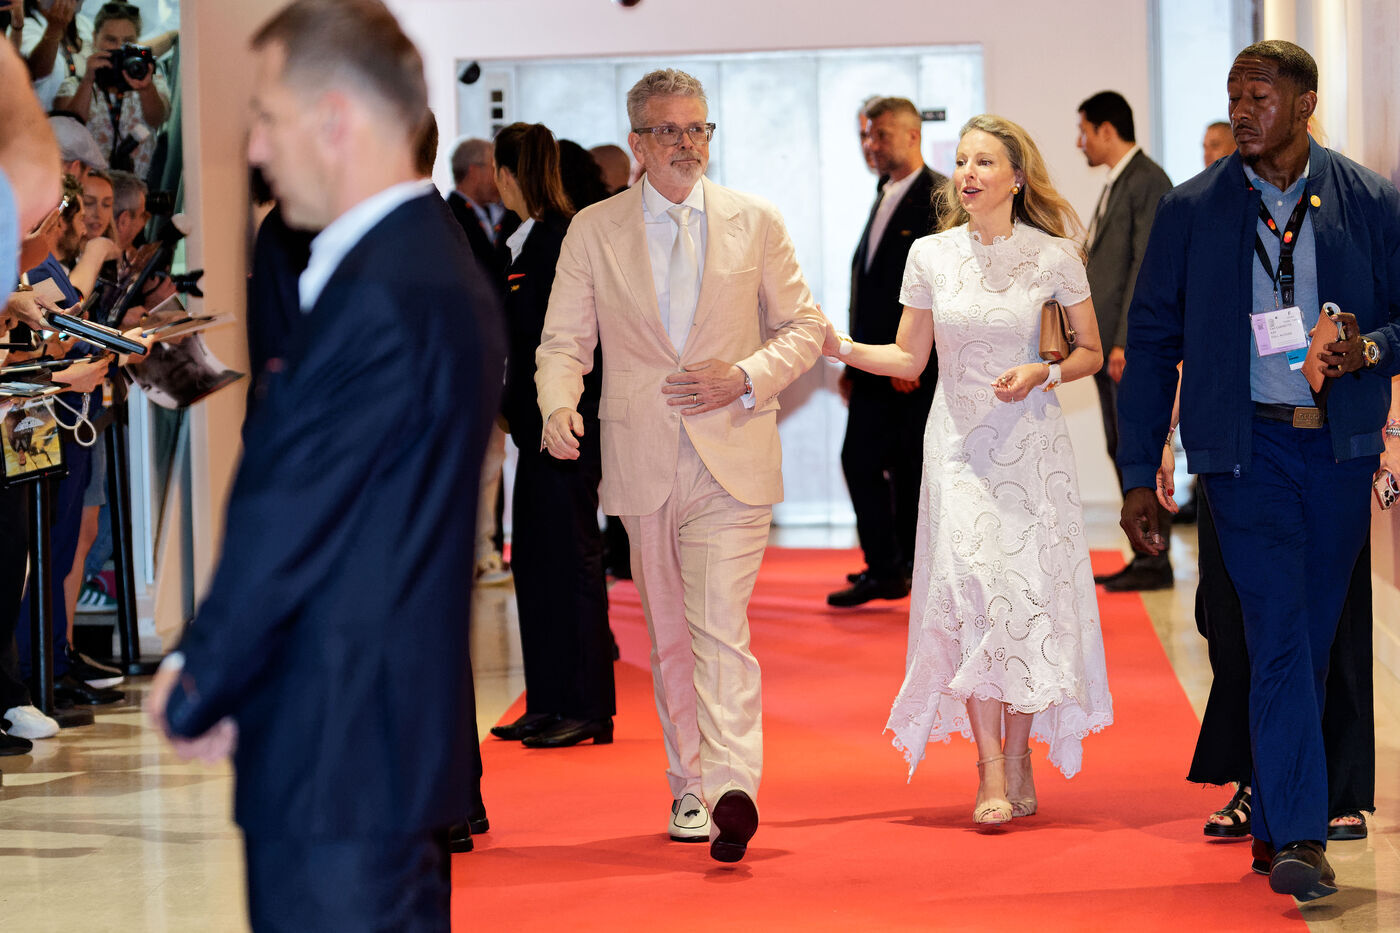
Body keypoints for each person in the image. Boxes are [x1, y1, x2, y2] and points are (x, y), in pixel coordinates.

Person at [146, 2, 504, 929]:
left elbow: (295, 507)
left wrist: (203, 674)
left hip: (341, 746)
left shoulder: (385, 288)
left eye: (267, 118)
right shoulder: (413, 260)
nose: (255, 149)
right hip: (366, 734)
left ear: (335, 118)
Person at [1117, 40, 1400, 902]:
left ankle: (1277, 819)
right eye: (1234, 96)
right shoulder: (1192, 208)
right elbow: (1151, 339)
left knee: (1309, 637)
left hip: (1340, 450)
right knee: (1277, 629)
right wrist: (1137, 471)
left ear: (1305, 105)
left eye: (1260, 97)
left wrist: (1369, 349)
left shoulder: (1368, 200)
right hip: (1245, 456)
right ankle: (1304, 837)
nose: (1241, 112)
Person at [536, 68, 825, 862]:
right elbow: (563, 340)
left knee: (718, 624)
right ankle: (689, 785)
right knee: (670, 634)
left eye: (699, 128)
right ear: (638, 142)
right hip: (642, 453)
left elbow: (804, 327)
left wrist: (747, 374)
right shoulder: (594, 229)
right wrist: (558, 402)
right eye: (670, 130)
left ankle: (734, 788)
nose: (687, 143)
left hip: (733, 448)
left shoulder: (754, 220)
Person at [827, 114, 1113, 825]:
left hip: (1032, 452)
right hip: (957, 449)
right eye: (961, 161)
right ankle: (989, 768)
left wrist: (1044, 371)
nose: (968, 173)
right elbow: (909, 357)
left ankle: (1019, 756)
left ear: (1017, 176)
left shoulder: (1054, 256)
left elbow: (1090, 351)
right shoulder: (929, 254)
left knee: (1025, 599)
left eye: (984, 161)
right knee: (977, 596)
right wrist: (840, 346)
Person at [485, 122, 617, 749]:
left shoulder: (560, 240)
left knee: (571, 562)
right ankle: (546, 699)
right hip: (533, 431)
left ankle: (587, 706)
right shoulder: (524, 239)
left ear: (509, 174)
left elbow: (565, 342)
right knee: (535, 564)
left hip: (564, 429)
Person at [829, 96, 945, 608]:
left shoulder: (938, 195)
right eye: (865, 136)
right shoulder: (884, 191)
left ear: (913, 135)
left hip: (907, 366)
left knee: (905, 468)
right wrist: (852, 365)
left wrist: (915, 358)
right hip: (874, 363)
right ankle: (888, 568)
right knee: (864, 461)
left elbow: (941, 287)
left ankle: (900, 570)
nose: (870, 145)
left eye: (881, 134)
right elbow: (871, 284)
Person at [1074, 90, 1175, 592]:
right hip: (1108, 344)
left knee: (1138, 446)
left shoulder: (1147, 180)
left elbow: (1145, 266)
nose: (1080, 143)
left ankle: (1155, 559)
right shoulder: (1121, 181)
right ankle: (1143, 552)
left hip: (1128, 346)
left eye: (1084, 131)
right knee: (1122, 446)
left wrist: (1123, 342)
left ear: (1107, 130)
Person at [53, 2, 170, 180]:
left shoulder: (150, 81)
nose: (119, 47)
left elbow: (157, 119)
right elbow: (70, 128)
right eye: (111, 39)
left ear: (137, 42)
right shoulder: (74, 85)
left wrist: (145, 87)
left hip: (136, 188)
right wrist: (88, 80)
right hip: (88, 187)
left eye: (128, 41)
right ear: (95, 38)